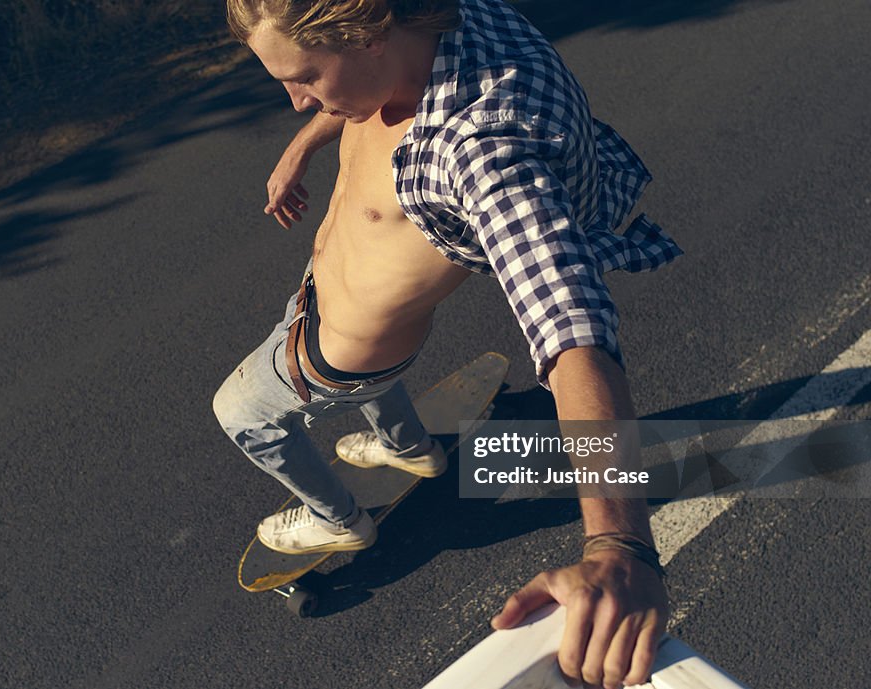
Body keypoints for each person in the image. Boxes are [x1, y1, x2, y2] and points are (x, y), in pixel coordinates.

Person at [213, 0, 681, 685]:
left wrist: (619, 544)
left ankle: (338, 518)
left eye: (305, 76)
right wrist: (302, 145)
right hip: (358, 325)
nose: (294, 101)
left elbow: (572, 327)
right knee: (380, 389)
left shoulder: (482, 148)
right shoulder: (439, 25)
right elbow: (353, 102)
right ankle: (408, 446)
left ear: (367, 35)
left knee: (237, 410)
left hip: (333, 352)